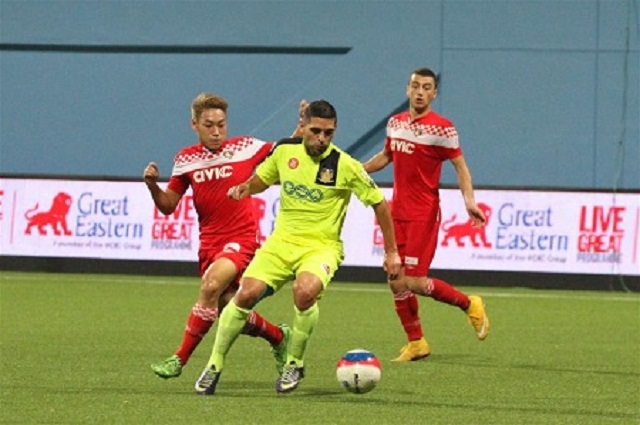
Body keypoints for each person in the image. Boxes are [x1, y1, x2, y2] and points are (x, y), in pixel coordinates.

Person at [193, 99, 402, 395]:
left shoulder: (346, 165)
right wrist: (245, 187)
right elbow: (263, 179)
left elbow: (380, 205)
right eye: (316, 131)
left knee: (304, 292)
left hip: (321, 247)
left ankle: (294, 361)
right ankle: (214, 364)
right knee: (245, 294)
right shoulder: (285, 152)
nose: (322, 139)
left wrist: (391, 252)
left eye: (328, 133)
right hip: (281, 243)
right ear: (302, 126)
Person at [143, 93, 305, 379]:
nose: (217, 131)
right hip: (209, 244)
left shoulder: (245, 147)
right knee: (228, 307)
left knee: (210, 286)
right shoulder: (185, 159)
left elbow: (283, 152)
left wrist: (299, 129)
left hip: (242, 239)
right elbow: (168, 205)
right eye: (209, 125)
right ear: (194, 124)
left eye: (221, 124)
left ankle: (179, 358)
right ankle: (279, 337)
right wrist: (153, 187)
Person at [364, 67, 490, 362]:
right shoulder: (395, 123)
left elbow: (460, 166)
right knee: (396, 279)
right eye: (415, 86)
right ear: (407, 89)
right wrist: (358, 169)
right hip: (397, 213)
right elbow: (386, 156)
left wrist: (469, 201)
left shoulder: (443, 129)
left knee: (415, 282)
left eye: (426, 87)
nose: (420, 91)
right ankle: (417, 342)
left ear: (434, 94)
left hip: (423, 214)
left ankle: (469, 303)